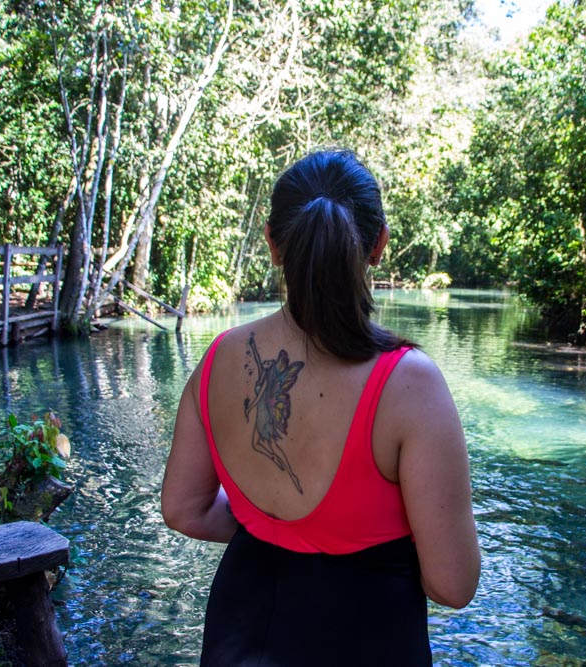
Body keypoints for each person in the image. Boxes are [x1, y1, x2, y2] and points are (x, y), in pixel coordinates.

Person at [161, 149, 479, 666]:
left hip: (239, 634)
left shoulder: (219, 358)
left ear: (272, 243)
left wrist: (272, 532)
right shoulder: (409, 384)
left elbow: (183, 509)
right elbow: (452, 585)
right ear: (379, 245)